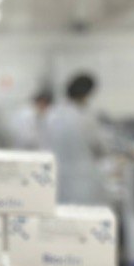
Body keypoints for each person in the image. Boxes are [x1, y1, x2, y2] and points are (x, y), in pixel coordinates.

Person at [45, 73, 108, 205]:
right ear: (87, 94)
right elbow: (101, 148)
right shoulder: (86, 117)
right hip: (84, 181)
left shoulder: (51, 114)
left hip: (57, 179)